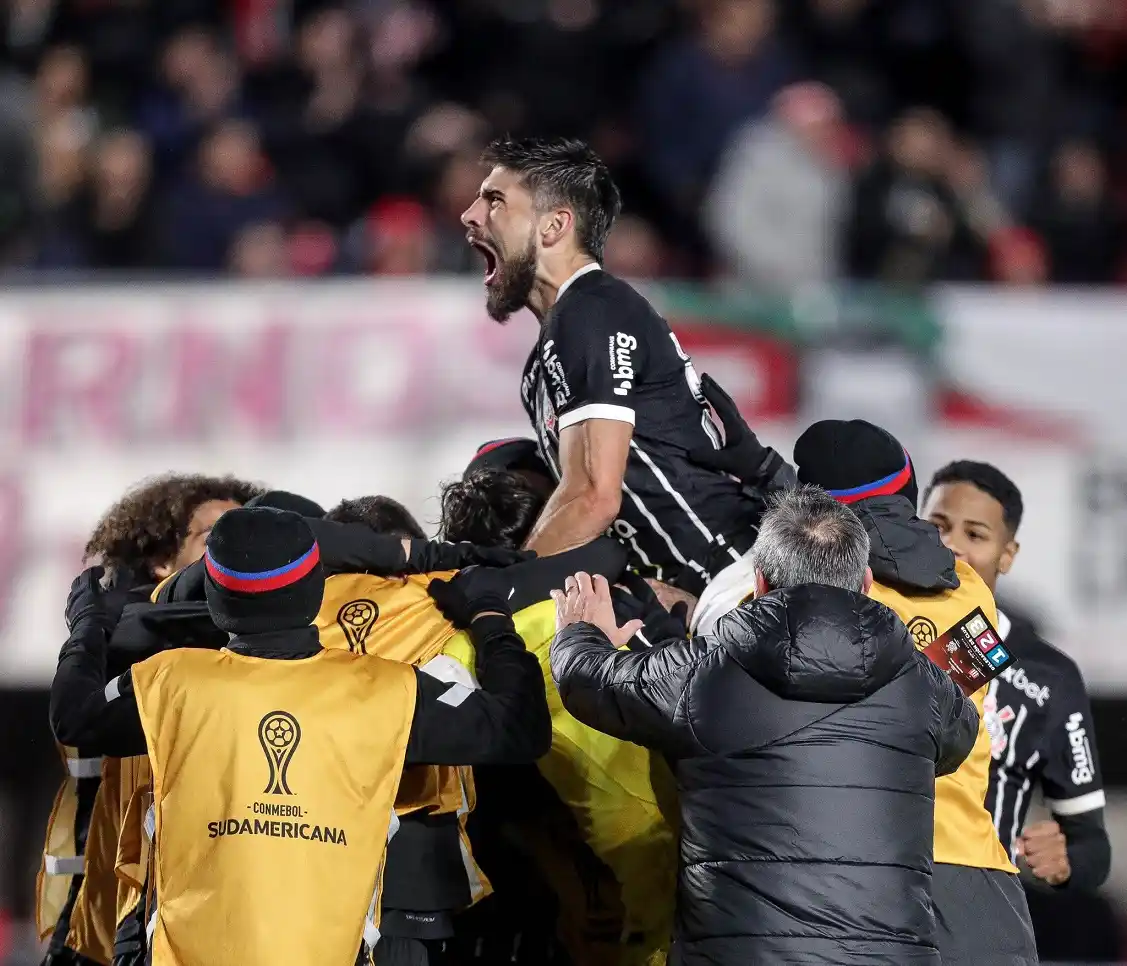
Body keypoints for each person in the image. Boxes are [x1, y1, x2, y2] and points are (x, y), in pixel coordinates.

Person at [49, 506, 552, 966]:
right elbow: (519, 729)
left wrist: (88, 625)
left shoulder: (169, 681)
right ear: (316, 589)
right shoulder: (385, 689)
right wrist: (490, 619)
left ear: (217, 598)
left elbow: (73, 715)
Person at [550, 486, 979, 965]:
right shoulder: (920, 686)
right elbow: (959, 735)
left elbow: (588, 681)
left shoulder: (704, 673)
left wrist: (579, 632)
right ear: (866, 582)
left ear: (759, 582)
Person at [687, 411, 1040, 965]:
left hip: (847, 880)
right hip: (976, 881)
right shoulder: (971, 590)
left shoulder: (771, 595)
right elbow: (938, 710)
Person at [460, 136, 782, 594]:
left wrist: (503, 592)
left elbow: (594, 497)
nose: (470, 215)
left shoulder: (590, 312)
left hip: (736, 578)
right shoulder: (551, 351)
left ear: (554, 226)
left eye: (495, 200)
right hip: (697, 589)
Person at [37, 473, 261, 966]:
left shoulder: (266, 648)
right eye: (214, 538)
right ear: (162, 560)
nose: (234, 552)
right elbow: (75, 718)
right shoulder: (124, 649)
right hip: (109, 919)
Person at [922, 461, 1110, 891]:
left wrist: (1067, 859)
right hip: (871, 897)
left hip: (977, 902)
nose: (951, 545)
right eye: (937, 526)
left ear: (1007, 554)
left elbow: (1092, 845)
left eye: (975, 535)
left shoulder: (1049, 676)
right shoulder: (877, 627)